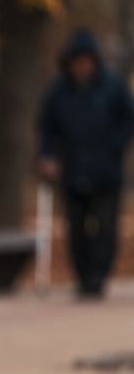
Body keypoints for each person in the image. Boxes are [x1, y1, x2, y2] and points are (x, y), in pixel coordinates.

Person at [37, 28, 134, 298]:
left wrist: (114, 147)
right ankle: (83, 277)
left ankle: (98, 277)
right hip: (73, 169)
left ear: (94, 62)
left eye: (86, 61)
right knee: (76, 228)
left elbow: (128, 119)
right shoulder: (59, 92)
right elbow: (47, 126)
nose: (81, 67)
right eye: (77, 62)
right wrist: (47, 155)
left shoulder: (113, 86)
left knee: (106, 228)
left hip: (106, 171)